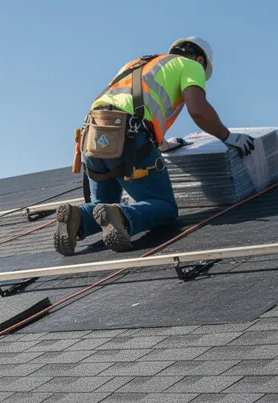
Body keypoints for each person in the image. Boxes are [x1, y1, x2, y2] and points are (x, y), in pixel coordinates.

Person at [55, 36, 256, 256]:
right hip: (129, 136)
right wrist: (227, 136)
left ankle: (77, 217)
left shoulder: (138, 64)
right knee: (164, 207)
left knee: (103, 204)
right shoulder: (190, 65)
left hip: (92, 135)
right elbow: (197, 109)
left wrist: (162, 144)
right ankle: (123, 217)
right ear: (199, 59)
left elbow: (130, 106)